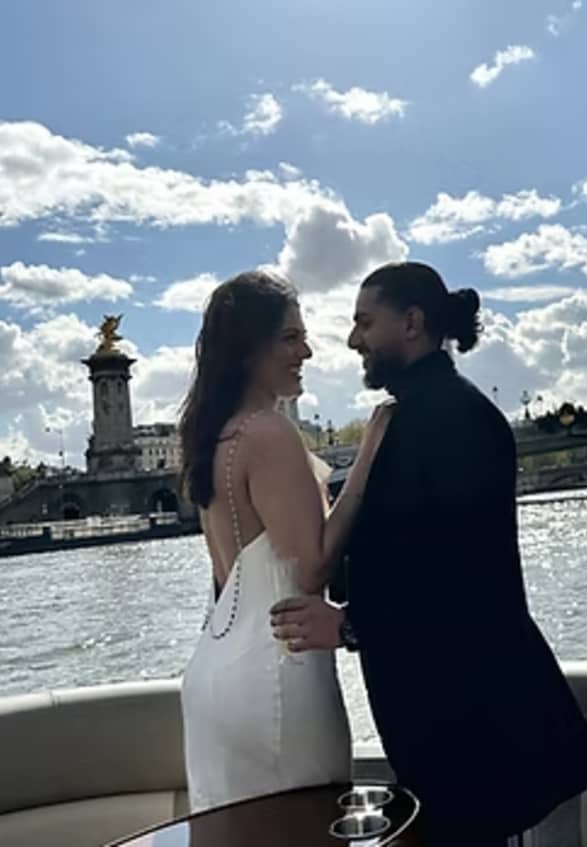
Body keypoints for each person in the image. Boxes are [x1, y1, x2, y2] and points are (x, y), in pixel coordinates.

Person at [270, 261, 587, 845]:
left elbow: (468, 582)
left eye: (364, 323)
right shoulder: (414, 418)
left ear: (412, 323)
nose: (353, 341)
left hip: (485, 735)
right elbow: (405, 554)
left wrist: (349, 627)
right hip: (453, 731)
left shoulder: (457, 420)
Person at [178, 270, 392, 812]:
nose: (307, 350)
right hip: (278, 675)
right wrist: (368, 455)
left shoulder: (213, 435)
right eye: (291, 337)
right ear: (252, 347)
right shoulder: (268, 433)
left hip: (218, 671)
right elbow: (313, 566)